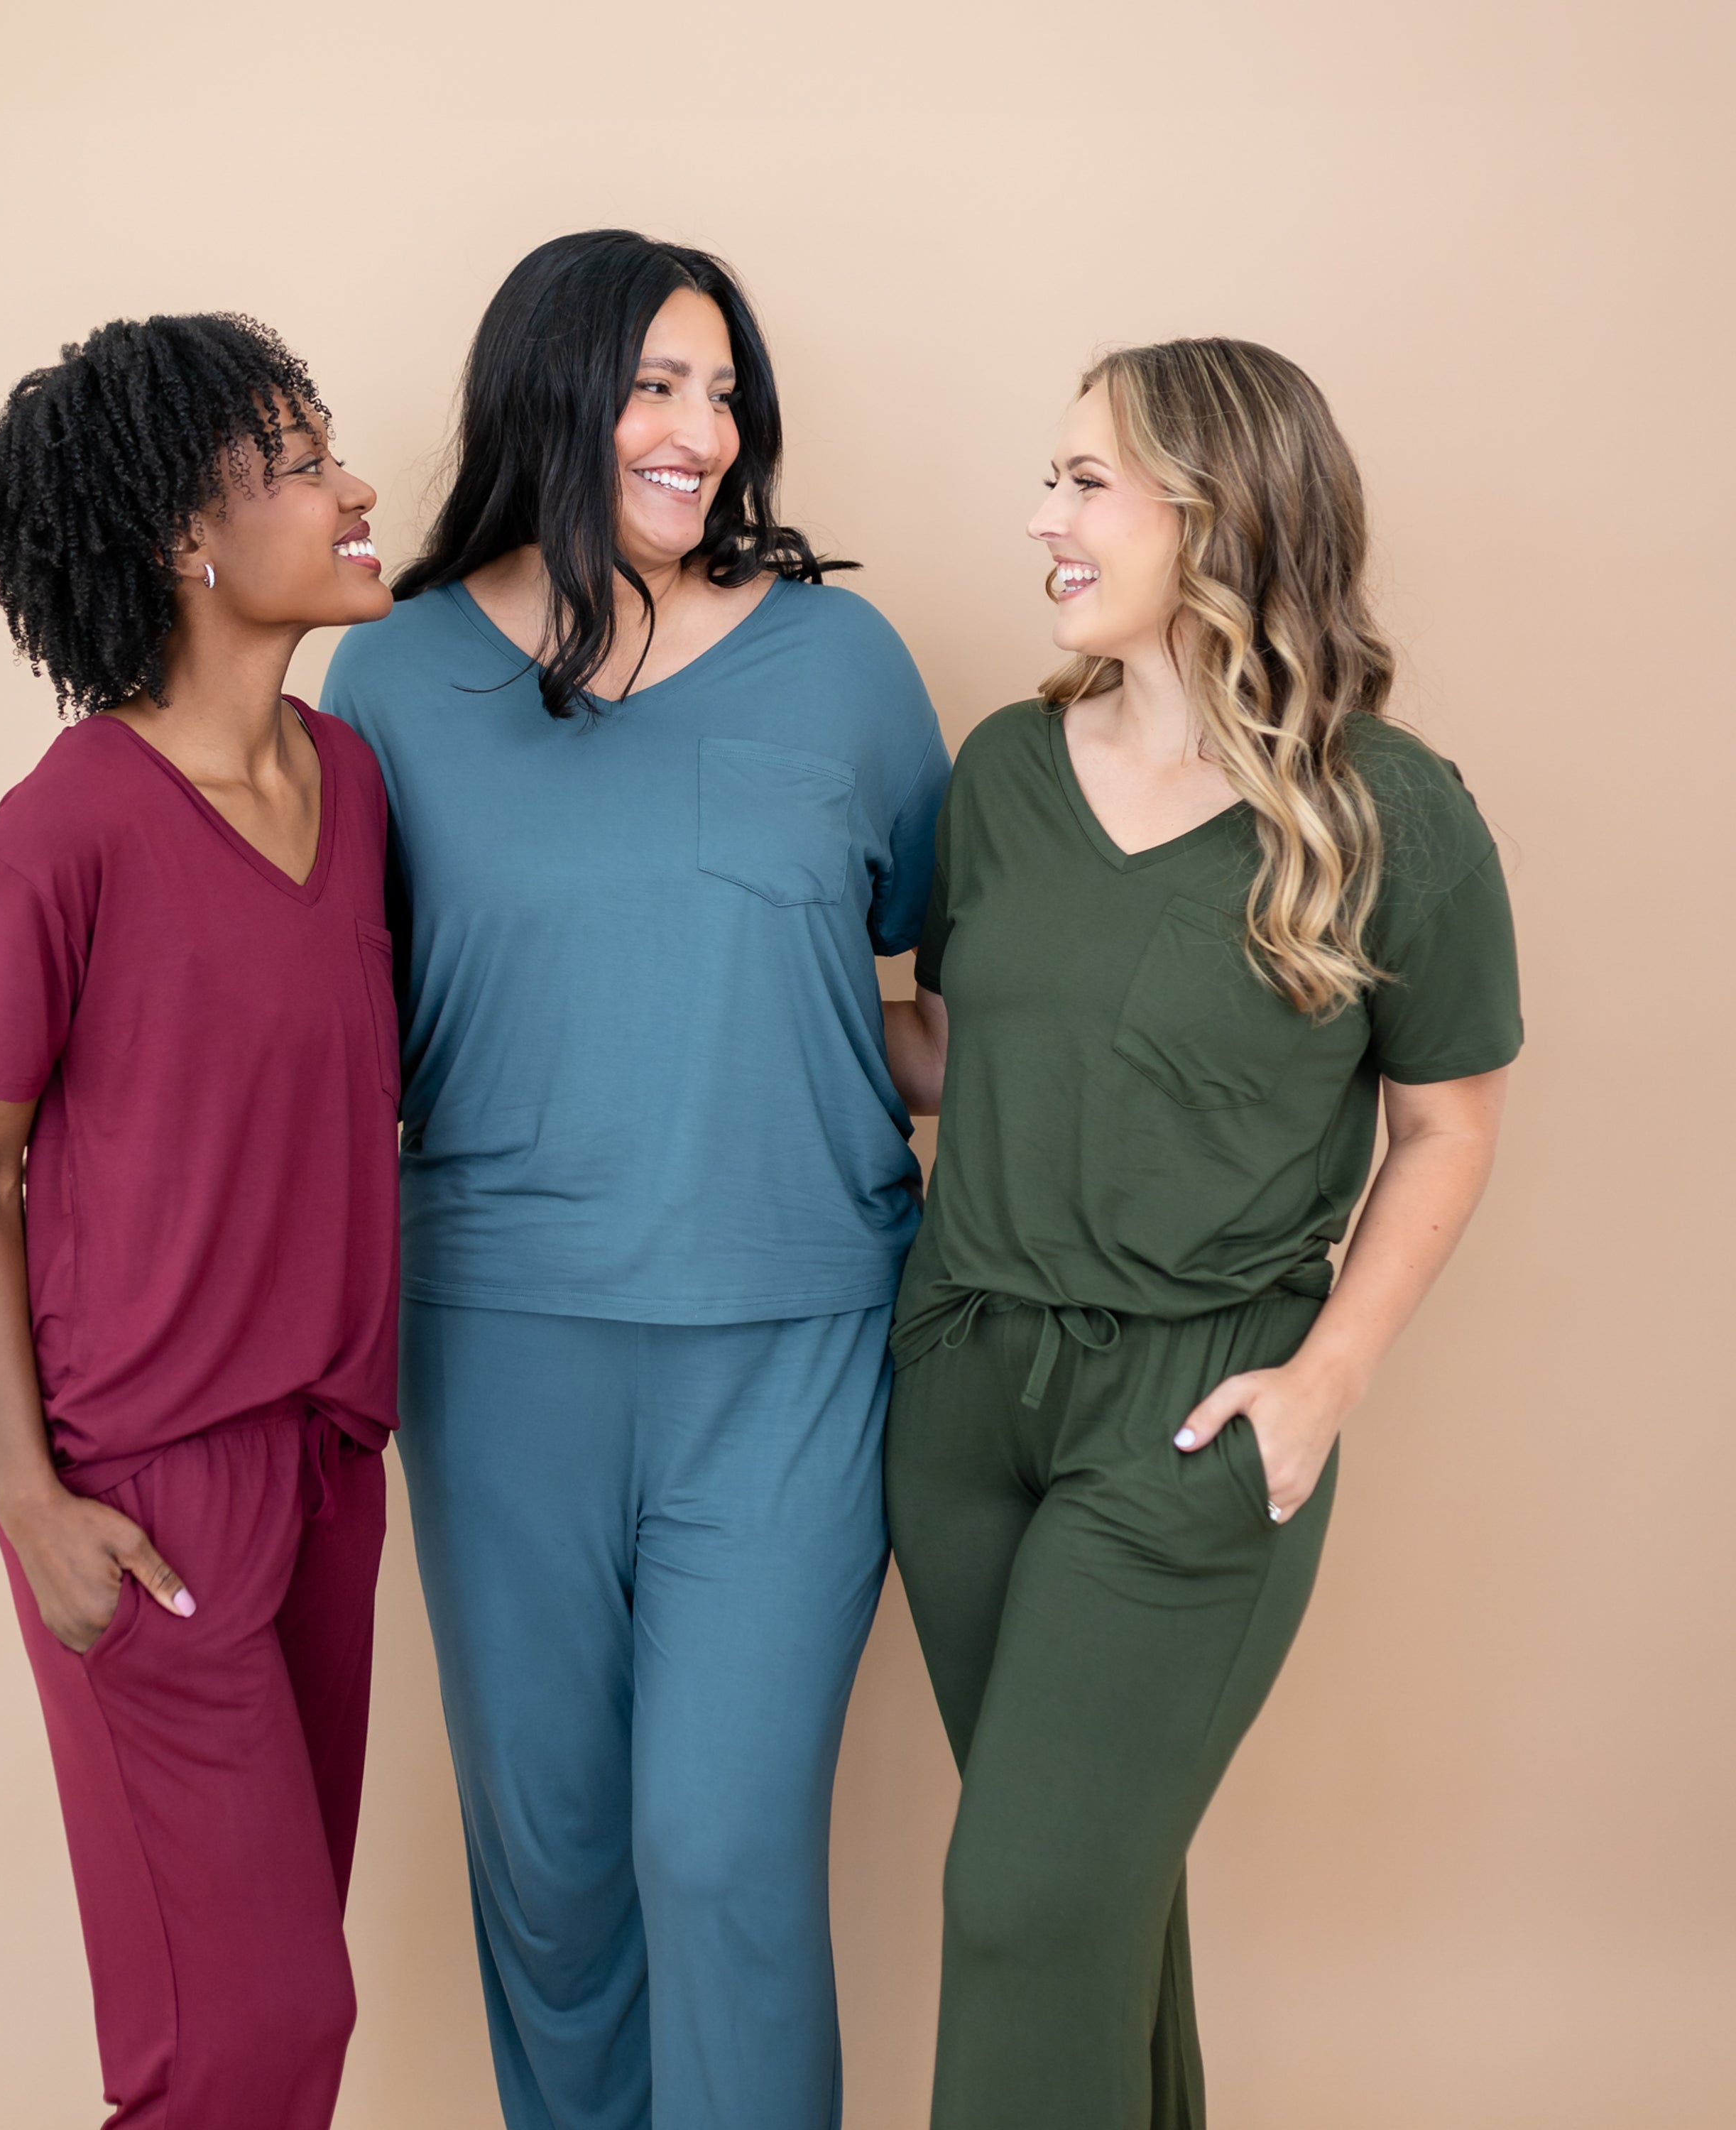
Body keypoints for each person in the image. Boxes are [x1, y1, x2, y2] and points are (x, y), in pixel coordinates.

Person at [321, 229, 949, 2130]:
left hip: (792, 1348)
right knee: (559, 1872)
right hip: (497, 1350)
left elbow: (946, 1005)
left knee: (721, 1850)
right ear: (553, 394)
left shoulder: (844, 664)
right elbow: (330, 1028)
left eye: (724, 390)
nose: (702, 428)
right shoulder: (395, 677)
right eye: (657, 384)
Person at [882, 338, 1522, 2129]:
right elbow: (960, 1050)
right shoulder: (1004, 771)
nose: (1042, 522)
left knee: (1021, 1911)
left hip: (1189, 1422)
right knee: (1091, 1914)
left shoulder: (1391, 811)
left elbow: (1449, 1123)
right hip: (954, 1400)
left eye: (1086, 483)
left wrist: (1323, 1384)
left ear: (1216, 510)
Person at [0, 312, 399, 2130]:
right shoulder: (66, 833)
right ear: (180, 540)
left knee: (282, 2029)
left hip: (329, 1469)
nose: (356, 489)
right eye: (297, 465)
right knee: (243, 2039)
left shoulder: (349, 787)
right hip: (145, 1503)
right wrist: (27, 1496)